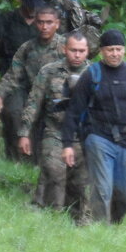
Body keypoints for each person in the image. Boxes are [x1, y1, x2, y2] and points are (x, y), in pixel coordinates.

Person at [61, 30, 126, 224]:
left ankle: (113, 225)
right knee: (102, 189)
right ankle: (101, 231)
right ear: (101, 51)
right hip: (98, 137)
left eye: (118, 49)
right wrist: (67, 144)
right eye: (110, 50)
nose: (115, 54)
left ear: (124, 50)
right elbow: (74, 111)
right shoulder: (92, 75)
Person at [17, 32, 91, 222]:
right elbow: (34, 102)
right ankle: (50, 215)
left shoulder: (95, 74)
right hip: (55, 131)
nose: (77, 55)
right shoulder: (49, 71)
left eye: (81, 51)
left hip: (83, 136)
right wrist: (24, 132)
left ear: (87, 52)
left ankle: (78, 220)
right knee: (54, 170)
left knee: (80, 184)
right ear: (64, 49)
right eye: (73, 50)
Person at [0, 6, 66, 171]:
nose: (44, 27)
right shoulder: (27, 48)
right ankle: (19, 164)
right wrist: (0, 95)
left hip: (58, 98)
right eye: (40, 23)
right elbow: (13, 75)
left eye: (49, 23)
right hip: (31, 94)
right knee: (13, 112)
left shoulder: (66, 48)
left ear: (57, 24)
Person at [0, 0, 41, 159]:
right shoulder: (6, 19)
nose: (33, 10)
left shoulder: (44, 22)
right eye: (30, 5)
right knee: (14, 114)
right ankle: (15, 158)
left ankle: (34, 159)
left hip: (38, 77)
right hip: (12, 76)